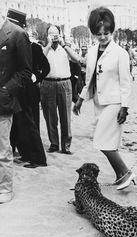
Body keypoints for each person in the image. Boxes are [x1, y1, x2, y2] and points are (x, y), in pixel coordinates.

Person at [73, 7, 134, 191]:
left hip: (115, 103)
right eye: (98, 34)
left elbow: (126, 83)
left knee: (101, 140)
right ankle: (120, 174)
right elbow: (89, 79)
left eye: (106, 33)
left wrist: (125, 107)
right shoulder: (91, 52)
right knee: (106, 141)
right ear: (93, 33)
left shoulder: (120, 53)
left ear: (112, 31)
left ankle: (125, 172)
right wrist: (80, 99)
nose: (102, 37)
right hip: (99, 102)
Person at [8, 10, 50, 168]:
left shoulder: (30, 45)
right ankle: (26, 154)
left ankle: (38, 158)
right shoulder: (14, 41)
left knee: (29, 124)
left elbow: (43, 68)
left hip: (27, 90)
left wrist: (35, 77)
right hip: (19, 89)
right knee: (21, 125)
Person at [0, 10, 32, 203]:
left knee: (3, 150)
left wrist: (5, 90)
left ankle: (5, 188)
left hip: (2, 102)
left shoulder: (17, 33)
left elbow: (25, 71)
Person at [40, 25, 79, 154]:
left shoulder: (65, 48)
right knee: (50, 116)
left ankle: (66, 145)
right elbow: (39, 60)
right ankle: (54, 143)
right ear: (47, 36)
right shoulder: (44, 49)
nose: (54, 37)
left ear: (60, 34)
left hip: (64, 83)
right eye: (51, 34)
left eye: (56, 34)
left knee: (65, 116)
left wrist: (64, 45)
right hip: (48, 83)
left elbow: (76, 59)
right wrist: (48, 44)